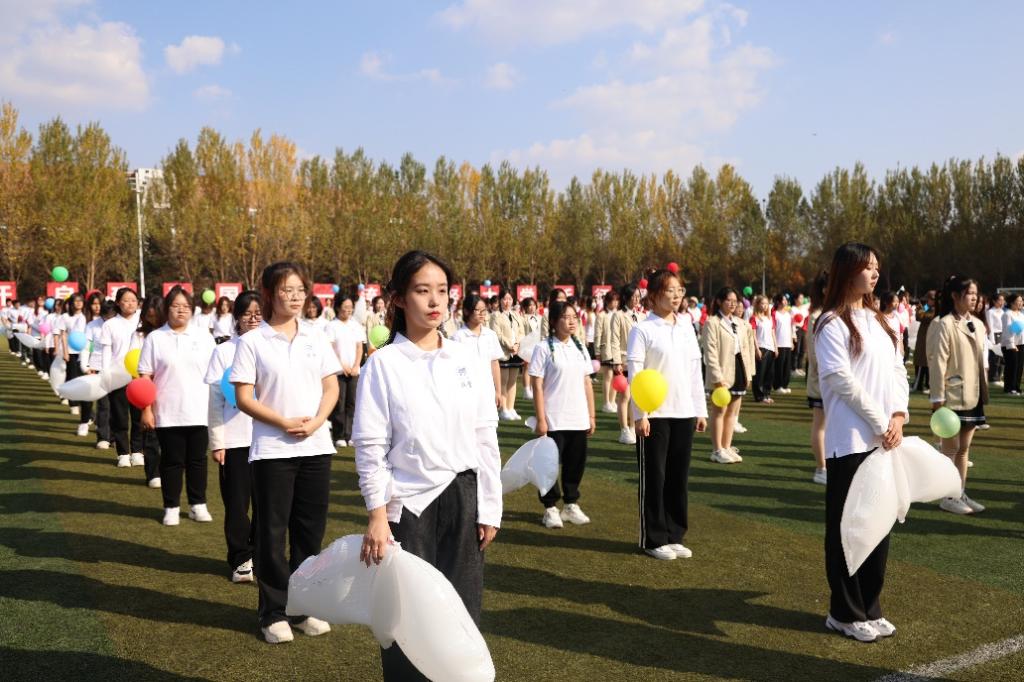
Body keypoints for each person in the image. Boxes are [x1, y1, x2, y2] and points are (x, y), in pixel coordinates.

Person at [352, 250, 501, 681]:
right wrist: (377, 515)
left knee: (462, 616)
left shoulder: (466, 359)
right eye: (422, 291)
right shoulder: (383, 364)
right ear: (399, 298)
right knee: (407, 620)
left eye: (442, 290)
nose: (435, 301)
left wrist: (489, 507)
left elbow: (485, 436)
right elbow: (371, 446)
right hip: (408, 507)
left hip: (463, 499)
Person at [231, 261, 340, 644]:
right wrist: (282, 422)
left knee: (309, 533)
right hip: (272, 451)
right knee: (272, 534)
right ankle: (273, 612)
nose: (294, 297)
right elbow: (244, 397)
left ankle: (303, 607)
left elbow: (331, 388)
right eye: (285, 290)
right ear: (269, 293)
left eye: (299, 290)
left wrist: (316, 422)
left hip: (316, 447)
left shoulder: (316, 337)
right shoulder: (253, 342)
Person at [814, 242, 907, 643]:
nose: (874, 273)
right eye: (867, 267)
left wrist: (898, 415)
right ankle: (844, 612)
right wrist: (880, 421)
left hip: (884, 440)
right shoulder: (831, 323)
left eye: (876, 267)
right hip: (850, 440)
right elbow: (841, 380)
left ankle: (870, 605)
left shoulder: (881, 321)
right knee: (848, 528)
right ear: (847, 271)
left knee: (878, 525)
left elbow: (898, 370)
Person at [627, 269, 707, 561]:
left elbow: (694, 371)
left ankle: (675, 534)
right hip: (655, 415)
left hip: (684, 412)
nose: (675, 296)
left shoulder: (686, 326)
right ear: (653, 295)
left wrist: (699, 409)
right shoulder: (642, 330)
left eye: (679, 290)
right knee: (655, 477)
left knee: (677, 478)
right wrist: (640, 414)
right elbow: (635, 372)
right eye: (669, 290)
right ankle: (653, 538)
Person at [139, 286, 217, 525]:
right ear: (167, 309)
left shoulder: (204, 336)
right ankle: (171, 506)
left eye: (185, 306)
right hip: (167, 411)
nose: (181, 311)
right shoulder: (155, 338)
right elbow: (145, 376)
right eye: (175, 306)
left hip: (199, 409)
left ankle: (197, 504)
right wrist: (146, 409)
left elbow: (215, 373)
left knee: (197, 460)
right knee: (171, 461)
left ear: (192, 309)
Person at [206, 290, 261, 582]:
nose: (253, 319)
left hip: (269, 440)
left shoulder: (275, 349)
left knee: (268, 505)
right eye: (247, 314)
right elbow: (216, 401)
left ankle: (261, 554)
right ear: (237, 318)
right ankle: (241, 558)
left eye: (258, 313)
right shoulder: (224, 352)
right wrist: (218, 442)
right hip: (235, 440)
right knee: (237, 505)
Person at [530, 300, 596, 528]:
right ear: (553, 321)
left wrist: (591, 416)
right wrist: (541, 419)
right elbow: (537, 385)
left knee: (575, 464)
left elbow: (587, 383)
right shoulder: (543, 348)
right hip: (553, 418)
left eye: (574, 318)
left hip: (578, 418)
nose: (571, 322)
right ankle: (550, 508)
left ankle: (570, 504)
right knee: (548, 465)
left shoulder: (580, 348)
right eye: (566, 318)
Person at [927, 276, 988, 515]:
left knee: (964, 449)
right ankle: (948, 496)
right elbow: (938, 363)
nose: (974, 297)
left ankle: (959, 491)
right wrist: (937, 398)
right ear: (955, 296)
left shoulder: (978, 324)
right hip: (952, 396)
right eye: (969, 293)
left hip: (973, 394)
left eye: (975, 293)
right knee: (950, 450)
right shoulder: (944, 324)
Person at [703, 287, 754, 464]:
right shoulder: (712, 323)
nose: (733, 304)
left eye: (735, 301)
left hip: (739, 369)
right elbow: (710, 352)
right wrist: (717, 377)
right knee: (719, 411)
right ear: (719, 302)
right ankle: (717, 450)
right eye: (728, 300)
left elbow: (747, 349)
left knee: (732, 412)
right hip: (722, 371)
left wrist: (749, 374)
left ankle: (726, 446)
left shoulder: (740, 323)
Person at [100, 288, 144, 469]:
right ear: (118, 303)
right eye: (126, 300)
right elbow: (106, 351)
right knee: (120, 417)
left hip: (140, 375)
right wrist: (105, 373)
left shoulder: (142, 321)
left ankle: (137, 451)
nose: (130, 304)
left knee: (139, 416)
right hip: (118, 375)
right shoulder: (110, 325)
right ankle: (123, 453)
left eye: (133, 300)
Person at [326, 295, 365, 448]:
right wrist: (342, 365)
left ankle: (350, 434)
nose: (348, 310)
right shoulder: (331, 326)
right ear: (338, 307)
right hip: (338, 371)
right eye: (345, 307)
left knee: (352, 403)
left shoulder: (355, 325)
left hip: (354, 371)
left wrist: (355, 366)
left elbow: (359, 347)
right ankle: (339, 435)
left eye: (350, 307)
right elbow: (330, 348)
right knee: (339, 403)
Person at [452, 293, 503, 408]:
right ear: (466, 311)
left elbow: (494, 364)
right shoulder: (458, 337)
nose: (482, 313)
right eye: (477, 310)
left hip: (488, 392)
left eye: (484, 310)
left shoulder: (490, 335)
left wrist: (498, 391)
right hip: (467, 394)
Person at [610, 284, 643, 444]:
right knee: (625, 395)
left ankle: (632, 427)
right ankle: (624, 429)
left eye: (638, 296)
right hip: (624, 360)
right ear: (626, 297)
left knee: (635, 397)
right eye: (634, 296)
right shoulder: (618, 315)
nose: (637, 299)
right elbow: (615, 339)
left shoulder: (641, 315)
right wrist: (616, 361)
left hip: (639, 361)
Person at [806, 272, 828, 485]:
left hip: (835, 381)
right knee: (820, 424)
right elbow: (814, 354)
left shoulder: (835, 312)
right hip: (823, 381)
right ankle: (821, 468)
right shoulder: (817, 316)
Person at [490, 287, 525, 421]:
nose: (507, 302)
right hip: (503, 352)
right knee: (503, 381)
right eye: (505, 299)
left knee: (513, 381)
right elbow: (496, 334)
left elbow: (521, 332)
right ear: (500, 300)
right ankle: (503, 409)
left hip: (515, 352)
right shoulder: (495, 315)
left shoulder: (516, 315)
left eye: (510, 299)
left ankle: (511, 408)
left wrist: (517, 344)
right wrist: (509, 345)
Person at [86, 298, 116, 449]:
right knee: (103, 404)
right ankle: (103, 437)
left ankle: (115, 437)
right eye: (106, 316)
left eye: (111, 316)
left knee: (117, 405)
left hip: (117, 368)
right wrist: (87, 365)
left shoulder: (120, 325)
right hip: (98, 366)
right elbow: (88, 346)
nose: (108, 319)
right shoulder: (92, 325)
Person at [61, 293, 91, 435]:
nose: (78, 303)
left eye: (80, 301)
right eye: (75, 301)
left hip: (86, 353)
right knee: (72, 379)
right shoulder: (66, 317)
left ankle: (87, 416)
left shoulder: (87, 317)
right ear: (71, 303)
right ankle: (76, 404)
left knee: (85, 383)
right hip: (72, 352)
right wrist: (65, 351)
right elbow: (63, 334)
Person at [594, 290, 621, 414]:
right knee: (608, 375)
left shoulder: (619, 314)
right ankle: (606, 403)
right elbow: (597, 334)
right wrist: (597, 351)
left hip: (617, 350)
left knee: (616, 375)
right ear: (607, 302)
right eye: (613, 300)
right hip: (606, 349)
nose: (615, 303)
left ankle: (612, 401)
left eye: (616, 300)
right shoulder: (601, 315)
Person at [751, 295, 776, 404]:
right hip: (761, 347)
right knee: (760, 374)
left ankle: (767, 394)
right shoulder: (754, 318)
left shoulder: (769, 319)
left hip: (770, 348)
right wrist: (757, 349)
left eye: (766, 304)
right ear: (757, 304)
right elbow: (753, 335)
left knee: (769, 374)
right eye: (762, 303)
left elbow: (773, 333)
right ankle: (759, 396)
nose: (765, 306)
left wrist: (776, 347)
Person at [912, 291, 936, 392]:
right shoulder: (927, 307)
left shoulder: (936, 309)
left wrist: (922, 310)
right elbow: (919, 316)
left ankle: (928, 384)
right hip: (923, 338)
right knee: (920, 361)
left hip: (931, 338)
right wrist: (922, 307)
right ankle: (919, 384)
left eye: (931, 299)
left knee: (928, 362)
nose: (929, 301)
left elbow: (924, 317)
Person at [1001, 294, 1024, 395]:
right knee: (1012, 366)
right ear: (1012, 302)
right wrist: (1011, 345)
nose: (1021, 303)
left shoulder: (1021, 314)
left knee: (1019, 366)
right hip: (1010, 344)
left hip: (1021, 343)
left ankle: (1016, 387)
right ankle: (1009, 388)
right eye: (1019, 301)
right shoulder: (1007, 314)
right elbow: (1007, 331)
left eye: (1021, 301)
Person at [772, 294, 795, 394]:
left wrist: (791, 341)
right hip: (778, 344)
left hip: (787, 343)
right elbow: (772, 329)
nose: (785, 302)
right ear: (778, 302)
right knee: (779, 366)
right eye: (783, 300)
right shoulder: (774, 314)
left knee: (787, 366)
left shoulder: (788, 314)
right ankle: (778, 386)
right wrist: (774, 344)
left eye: (786, 300)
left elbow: (790, 328)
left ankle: (785, 385)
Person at [985, 293, 1005, 385]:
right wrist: (992, 340)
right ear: (994, 301)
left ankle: (999, 376)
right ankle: (993, 377)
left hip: (1002, 335)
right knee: (994, 357)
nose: (1002, 302)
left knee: (1001, 357)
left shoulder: (1002, 311)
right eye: (1000, 300)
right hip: (995, 335)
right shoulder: (990, 312)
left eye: (1003, 300)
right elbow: (990, 326)